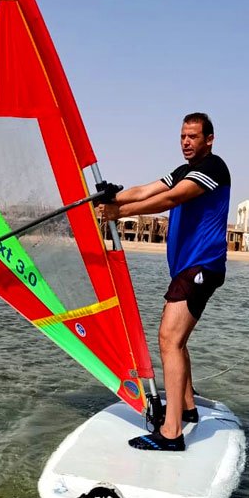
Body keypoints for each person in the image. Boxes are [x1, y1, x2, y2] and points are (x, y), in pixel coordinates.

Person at [97, 112, 232, 452]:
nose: (186, 142)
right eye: (183, 136)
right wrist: (111, 198)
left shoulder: (213, 168)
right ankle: (187, 407)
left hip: (201, 266)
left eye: (193, 137)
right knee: (177, 340)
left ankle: (171, 433)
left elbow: (171, 199)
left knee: (169, 339)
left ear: (209, 140)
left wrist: (119, 213)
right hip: (188, 268)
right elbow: (145, 190)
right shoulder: (183, 170)